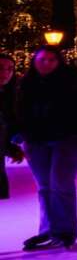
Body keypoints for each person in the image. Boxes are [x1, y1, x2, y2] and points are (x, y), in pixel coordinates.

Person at [15, 47, 77, 251]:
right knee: (44, 185)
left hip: (70, 138)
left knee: (60, 181)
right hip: (36, 140)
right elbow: (17, 110)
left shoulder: (72, 81)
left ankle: (65, 232)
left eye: (51, 59)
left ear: (59, 62)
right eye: (42, 59)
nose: (46, 63)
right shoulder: (26, 83)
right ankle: (48, 231)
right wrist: (18, 133)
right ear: (34, 61)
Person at [1, 54, 26, 201]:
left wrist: (11, 148)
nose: (5, 73)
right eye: (0, 68)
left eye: (10, 69)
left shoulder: (11, 95)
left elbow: (10, 125)